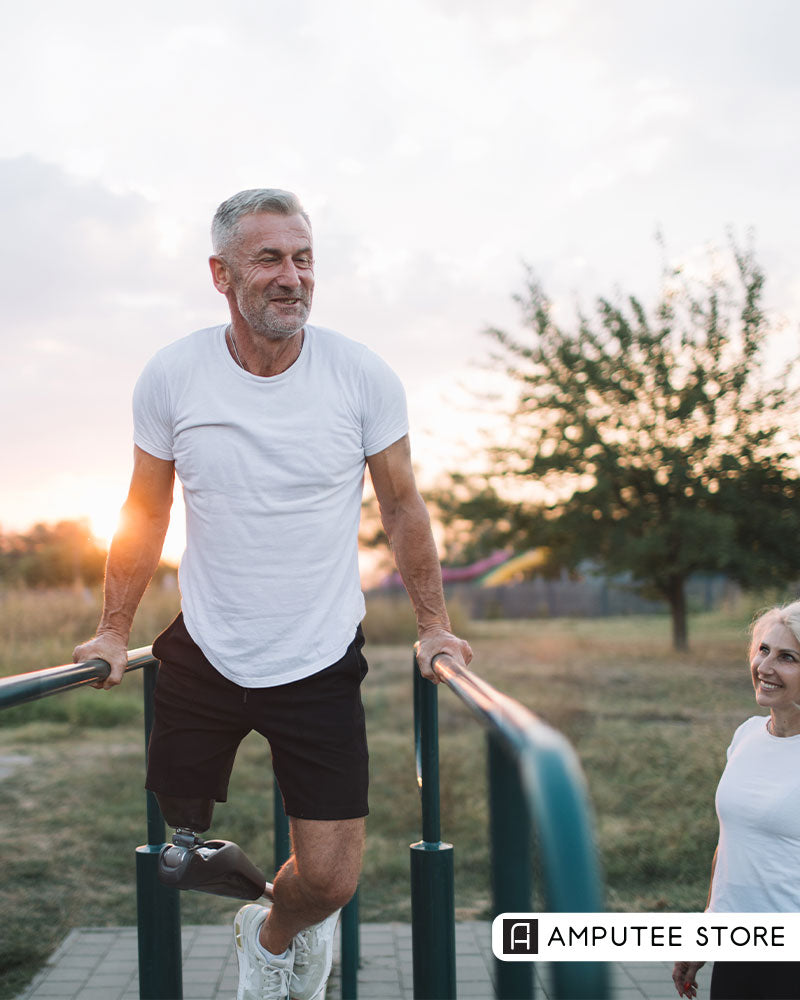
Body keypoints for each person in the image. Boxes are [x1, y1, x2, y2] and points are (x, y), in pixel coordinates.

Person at [73, 188, 472, 1000]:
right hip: (205, 651)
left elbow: (402, 504)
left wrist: (435, 625)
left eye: (303, 258)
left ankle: (272, 929)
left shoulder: (361, 376)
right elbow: (145, 509)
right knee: (178, 855)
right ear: (221, 275)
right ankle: (252, 899)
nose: (292, 277)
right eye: (269, 260)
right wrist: (114, 631)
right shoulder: (174, 374)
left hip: (319, 656)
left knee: (330, 881)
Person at [671, 600, 800, 1000]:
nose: (765, 667)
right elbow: (730, 847)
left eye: (787, 657)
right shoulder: (746, 735)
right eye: (763, 650)